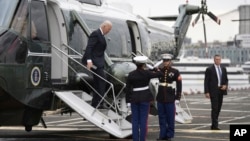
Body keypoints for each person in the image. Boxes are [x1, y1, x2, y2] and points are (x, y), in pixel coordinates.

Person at [125, 56, 163, 141]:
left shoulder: (131, 74)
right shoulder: (147, 73)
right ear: (144, 64)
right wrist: (156, 69)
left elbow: (127, 89)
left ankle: (135, 139)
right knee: (143, 121)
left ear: (136, 64)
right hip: (145, 98)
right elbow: (160, 74)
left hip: (134, 99)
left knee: (135, 120)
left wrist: (128, 101)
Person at [82, 20, 112, 108]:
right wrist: (89, 61)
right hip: (94, 63)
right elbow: (89, 48)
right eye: (109, 29)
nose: (109, 31)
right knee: (102, 81)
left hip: (98, 63)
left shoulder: (101, 35)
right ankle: (99, 102)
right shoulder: (96, 34)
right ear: (104, 26)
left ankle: (96, 103)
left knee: (98, 82)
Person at [156, 53, 182, 141]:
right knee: (161, 118)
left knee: (170, 118)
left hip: (170, 98)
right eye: (164, 61)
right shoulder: (159, 70)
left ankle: (169, 135)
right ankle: (162, 135)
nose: (165, 62)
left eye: (167, 61)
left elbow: (179, 85)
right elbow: (151, 71)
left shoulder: (175, 71)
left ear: (170, 61)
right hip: (160, 97)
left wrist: (178, 98)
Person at [204, 54, 228, 130]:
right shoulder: (209, 69)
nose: (218, 60)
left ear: (221, 60)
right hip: (213, 91)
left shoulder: (223, 68)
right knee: (214, 108)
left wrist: (225, 85)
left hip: (221, 90)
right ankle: (214, 125)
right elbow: (206, 81)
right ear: (214, 60)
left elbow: (226, 79)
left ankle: (214, 123)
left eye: (219, 59)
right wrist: (207, 92)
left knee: (219, 108)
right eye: (216, 59)